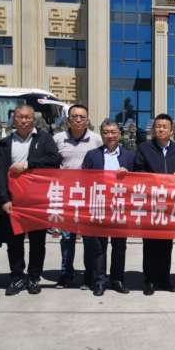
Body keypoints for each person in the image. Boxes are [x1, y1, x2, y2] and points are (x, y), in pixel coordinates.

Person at [0, 104, 60, 296]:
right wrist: (4, 199)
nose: (24, 121)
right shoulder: (5, 143)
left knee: (38, 242)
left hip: (37, 200)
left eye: (28, 117)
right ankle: (17, 278)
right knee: (14, 243)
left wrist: (28, 164)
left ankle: (33, 277)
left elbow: (54, 160)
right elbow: (0, 173)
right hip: (13, 201)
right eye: (20, 117)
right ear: (13, 119)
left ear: (34, 119)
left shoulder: (45, 138)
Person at [134, 113, 175, 295]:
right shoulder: (144, 148)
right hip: (150, 203)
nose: (161, 129)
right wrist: (156, 180)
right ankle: (150, 280)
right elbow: (138, 170)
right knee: (149, 243)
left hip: (170, 205)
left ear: (172, 131)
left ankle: (164, 279)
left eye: (165, 127)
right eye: (158, 126)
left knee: (166, 243)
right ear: (153, 129)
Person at [81, 120, 135, 296]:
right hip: (99, 206)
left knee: (119, 246)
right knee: (98, 247)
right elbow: (84, 180)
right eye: (106, 132)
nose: (110, 135)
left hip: (121, 207)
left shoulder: (129, 156)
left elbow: (138, 181)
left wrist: (128, 175)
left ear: (119, 134)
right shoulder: (92, 155)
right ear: (101, 134)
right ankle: (100, 281)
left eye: (113, 132)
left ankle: (117, 280)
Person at [53, 104, 103, 290]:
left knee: (89, 237)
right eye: (74, 116)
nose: (78, 120)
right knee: (67, 236)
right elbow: (51, 164)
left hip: (90, 196)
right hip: (67, 195)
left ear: (88, 120)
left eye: (82, 117)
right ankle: (66, 273)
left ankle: (89, 274)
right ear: (68, 119)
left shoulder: (97, 139)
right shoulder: (58, 139)